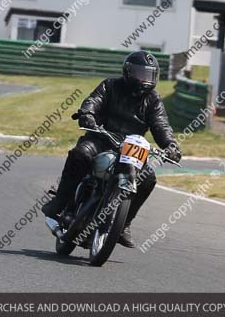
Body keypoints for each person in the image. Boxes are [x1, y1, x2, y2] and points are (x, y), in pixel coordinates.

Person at [41, 51, 182, 248]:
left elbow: (161, 125)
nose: (145, 80)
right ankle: (61, 201)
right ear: (128, 72)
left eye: (149, 75)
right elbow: (93, 101)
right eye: (141, 74)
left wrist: (170, 145)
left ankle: (124, 224)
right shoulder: (110, 86)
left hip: (132, 147)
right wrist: (87, 114)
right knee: (80, 154)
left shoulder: (153, 100)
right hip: (101, 138)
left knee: (148, 178)